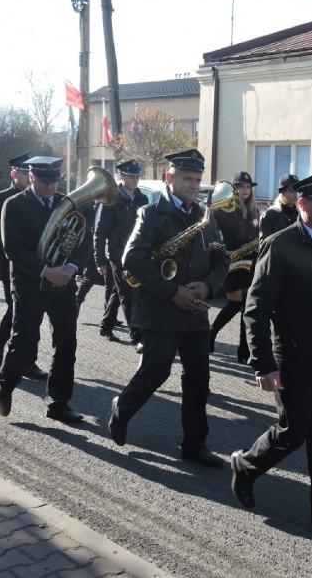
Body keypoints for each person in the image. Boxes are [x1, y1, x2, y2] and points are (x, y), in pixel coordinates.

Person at [230, 169, 312, 532]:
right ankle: (245, 466)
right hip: (294, 357)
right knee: (293, 432)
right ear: (303, 205)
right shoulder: (281, 245)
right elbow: (255, 310)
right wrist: (263, 364)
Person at [108, 149, 229, 466]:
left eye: (198, 180)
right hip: (161, 311)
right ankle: (121, 409)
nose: (194, 185)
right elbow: (131, 259)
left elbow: (221, 258)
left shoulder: (205, 216)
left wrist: (207, 286)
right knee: (154, 372)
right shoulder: (150, 214)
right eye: (188, 179)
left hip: (195, 311)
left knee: (198, 379)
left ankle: (195, 445)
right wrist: (171, 291)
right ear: (169, 179)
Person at [0, 157, 90, 423]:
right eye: (45, 181)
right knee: (23, 342)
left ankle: (58, 404)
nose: (50, 186)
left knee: (66, 344)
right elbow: (12, 248)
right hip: (30, 284)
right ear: (32, 177)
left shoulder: (67, 204)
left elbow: (83, 241)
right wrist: (47, 271)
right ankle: (6, 384)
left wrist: (70, 269)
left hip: (63, 285)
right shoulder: (13, 204)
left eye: (54, 181)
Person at [0, 153, 47, 379]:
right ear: (13, 174)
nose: (28, 177)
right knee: (18, 312)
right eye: (22, 173)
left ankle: (29, 362)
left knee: (32, 315)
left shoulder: (41, 197)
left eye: (30, 173)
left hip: (37, 265)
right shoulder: (0, 199)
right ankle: (1, 343)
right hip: (10, 266)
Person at [93, 159, 148, 344]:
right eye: (131, 176)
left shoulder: (142, 199)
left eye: (137, 176)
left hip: (137, 254)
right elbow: (99, 232)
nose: (135, 179)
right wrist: (100, 260)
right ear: (121, 176)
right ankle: (137, 336)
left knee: (119, 292)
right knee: (128, 292)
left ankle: (106, 325)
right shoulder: (111, 199)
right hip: (117, 255)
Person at [208, 170, 260, 363]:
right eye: (240, 187)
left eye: (248, 187)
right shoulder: (222, 209)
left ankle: (244, 350)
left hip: (249, 261)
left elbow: (255, 233)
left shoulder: (253, 209)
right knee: (234, 304)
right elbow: (213, 235)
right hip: (231, 260)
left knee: (246, 308)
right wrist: (222, 252)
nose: (245, 190)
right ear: (233, 188)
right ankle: (211, 334)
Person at [259, 173, 299, 239]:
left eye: (297, 191)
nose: (295, 195)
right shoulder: (270, 215)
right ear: (282, 191)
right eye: (291, 191)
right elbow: (264, 244)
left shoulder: (299, 215)